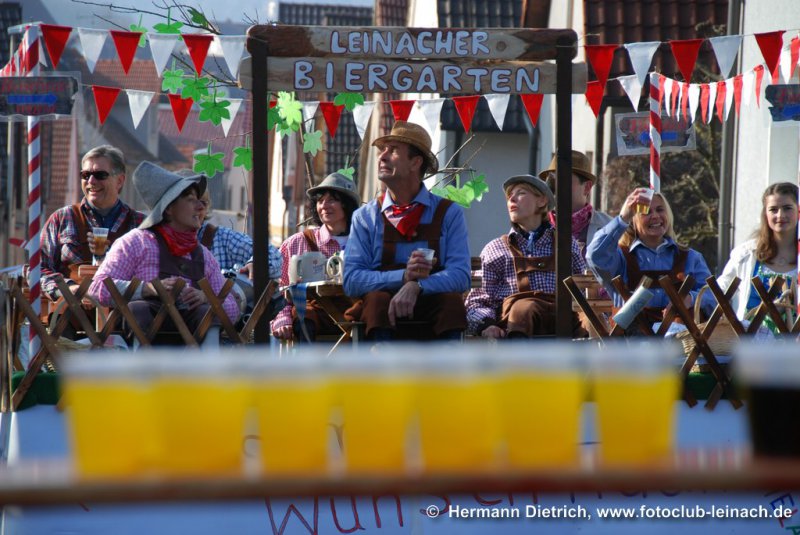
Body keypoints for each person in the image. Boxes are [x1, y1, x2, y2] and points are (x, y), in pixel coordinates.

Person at [343, 121, 470, 340]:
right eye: (382, 150)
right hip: (382, 320)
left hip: (433, 311)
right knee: (377, 301)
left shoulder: (449, 213)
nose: (382, 157)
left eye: (392, 150)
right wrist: (403, 277)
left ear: (415, 162)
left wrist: (417, 286)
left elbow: (461, 275)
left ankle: (448, 362)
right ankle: (382, 360)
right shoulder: (365, 217)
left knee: (451, 303)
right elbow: (352, 280)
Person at [88, 162, 239, 346]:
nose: (201, 206)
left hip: (194, 359)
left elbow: (233, 309)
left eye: (200, 200)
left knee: (207, 313)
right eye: (190, 199)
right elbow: (96, 289)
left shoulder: (203, 256)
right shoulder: (136, 243)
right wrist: (147, 289)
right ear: (168, 208)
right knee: (139, 310)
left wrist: (206, 298)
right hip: (141, 355)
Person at [465, 174, 587, 338]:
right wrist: (487, 325)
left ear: (542, 201)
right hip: (516, 325)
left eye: (521, 193)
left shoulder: (565, 244)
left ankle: (599, 354)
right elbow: (477, 301)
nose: (512, 199)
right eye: (509, 196)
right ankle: (518, 353)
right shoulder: (495, 249)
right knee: (523, 309)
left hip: (565, 319)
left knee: (590, 319)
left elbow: (583, 290)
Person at [586, 187, 715, 328]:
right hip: (632, 337)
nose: (655, 216)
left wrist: (691, 298)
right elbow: (594, 254)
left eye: (660, 210)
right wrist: (622, 219)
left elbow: (715, 298)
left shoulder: (690, 257)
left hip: (681, 337)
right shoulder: (620, 257)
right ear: (633, 220)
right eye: (646, 212)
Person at [41, 145, 144, 300]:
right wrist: (67, 288)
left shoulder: (139, 224)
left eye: (100, 175)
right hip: (70, 311)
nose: (91, 181)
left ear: (120, 181)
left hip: (123, 312)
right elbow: (39, 268)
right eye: (85, 175)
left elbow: (151, 273)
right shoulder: (61, 219)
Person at [271, 172, 360, 342]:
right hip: (314, 315)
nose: (324, 206)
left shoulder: (363, 242)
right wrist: (283, 319)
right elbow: (278, 290)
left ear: (347, 204)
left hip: (354, 310)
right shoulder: (297, 242)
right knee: (304, 314)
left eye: (332, 200)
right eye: (320, 201)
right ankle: (306, 360)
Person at [193, 178, 283, 316]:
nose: (198, 208)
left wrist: (255, 263)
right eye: (191, 201)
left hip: (218, 323)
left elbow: (272, 254)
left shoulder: (219, 237)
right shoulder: (158, 243)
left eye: (203, 203)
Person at [717, 182, 798, 332]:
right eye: (773, 209)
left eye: (787, 208)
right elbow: (720, 289)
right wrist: (692, 298)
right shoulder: (746, 253)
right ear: (765, 213)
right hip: (751, 340)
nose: (780, 215)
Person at [539, 150, 613, 258]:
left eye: (564, 180)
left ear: (587, 187)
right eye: (552, 180)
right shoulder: (535, 227)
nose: (556, 187)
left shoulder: (609, 227)